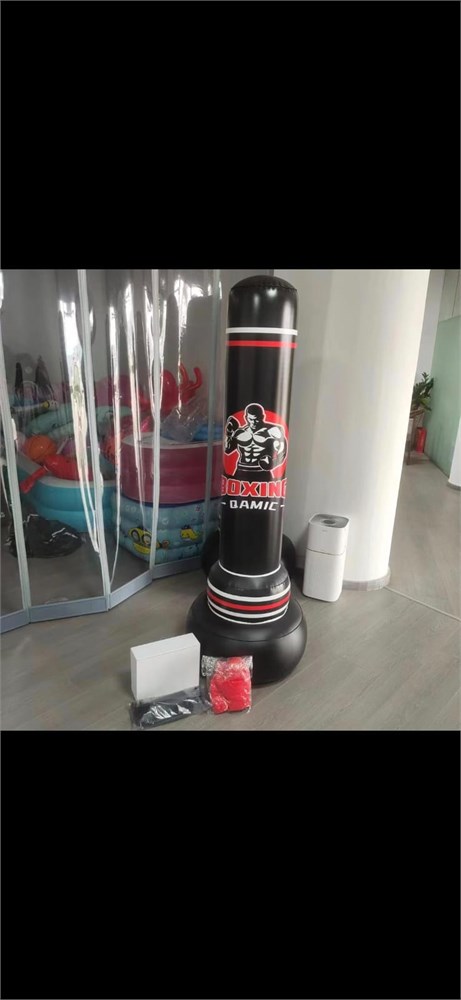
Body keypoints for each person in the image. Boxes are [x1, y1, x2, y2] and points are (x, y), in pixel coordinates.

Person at [225, 403, 287, 480]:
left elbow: (283, 449)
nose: (253, 422)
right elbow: (228, 450)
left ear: (262, 417)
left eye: (256, 419)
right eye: (250, 419)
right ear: (246, 417)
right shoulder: (239, 433)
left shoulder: (272, 431)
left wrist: (274, 463)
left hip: (261, 470)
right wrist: (229, 434)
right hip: (242, 469)